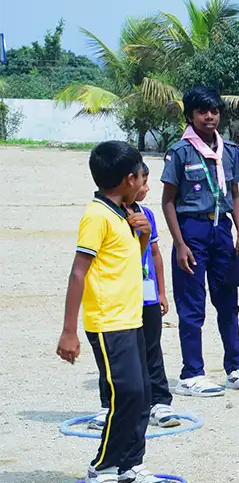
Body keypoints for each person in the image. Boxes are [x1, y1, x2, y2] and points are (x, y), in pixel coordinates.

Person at [57, 141, 173, 483]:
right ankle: (103, 467)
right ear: (128, 178)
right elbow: (79, 273)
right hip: (107, 322)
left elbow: (129, 263)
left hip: (132, 317)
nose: (145, 184)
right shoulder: (97, 216)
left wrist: (140, 236)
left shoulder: (126, 213)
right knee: (126, 395)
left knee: (143, 395)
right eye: (142, 176)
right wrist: (68, 332)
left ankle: (130, 466)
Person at [161, 85, 239, 397]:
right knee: (192, 305)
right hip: (191, 231)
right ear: (190, 116)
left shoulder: (229, 151)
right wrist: (180, 243)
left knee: (227, 302)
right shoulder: (180, 152)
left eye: (214, 111)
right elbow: (167, 200)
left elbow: (234, 194)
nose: (210, 117)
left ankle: (235, 368)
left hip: (222, 230)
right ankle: (191, 373)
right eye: (202, 112)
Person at [87, 164, 179, 430]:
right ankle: (109, 405)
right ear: (127, 182)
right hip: (117, 299)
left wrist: (162, 292)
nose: (146, 188)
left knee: (152, 349)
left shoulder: (146, 214)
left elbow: (157, 255)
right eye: (142, 182)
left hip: (146, 295)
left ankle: (159, 402)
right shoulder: (106, 216)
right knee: (114, 356)